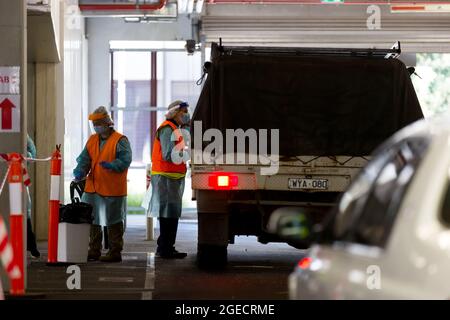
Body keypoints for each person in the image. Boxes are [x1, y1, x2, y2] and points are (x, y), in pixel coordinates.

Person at [73, 106, 132, 263]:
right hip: (93, 188)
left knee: (114, 220)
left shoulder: (120, 140)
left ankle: (115, 252)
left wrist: (113, 165)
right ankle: (94, 251)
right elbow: (84, 159)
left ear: (107, 123)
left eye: (98, 123)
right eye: (94, 123)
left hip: (113, 188)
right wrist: (79, 171)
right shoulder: (92, 140)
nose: (96, 126)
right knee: (93, 220)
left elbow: (125, 160)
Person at [148, 100, 190, 259]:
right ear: (174, 113)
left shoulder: (176, 129)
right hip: (165, 178)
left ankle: (166, 247)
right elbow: (168, 154)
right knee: (167, 215)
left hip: (172, 178)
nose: (186, 115)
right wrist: (187, 155)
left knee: (171, 214)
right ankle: (165, 248)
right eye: (183, 113)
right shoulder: (167, 129)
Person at [26, 134, 40, 259]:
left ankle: (31, 246)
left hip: (17, 176)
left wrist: (27, 157)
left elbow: (32, 151)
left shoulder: (20, 134)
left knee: (25, 215)